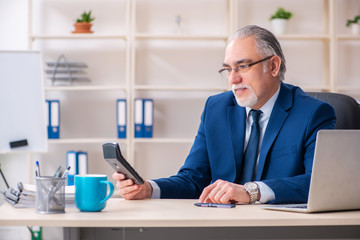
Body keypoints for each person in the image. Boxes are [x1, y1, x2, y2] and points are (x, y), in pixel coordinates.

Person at [113, 25, 336, 204]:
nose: (233, 79)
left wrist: (252, 191)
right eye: (228, 69)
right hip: (221, 226)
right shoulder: (216, 108)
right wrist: (149, 188)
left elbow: (318, 183)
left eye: (243, 67)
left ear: (274, 66)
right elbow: (194, 178)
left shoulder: (313, 113)